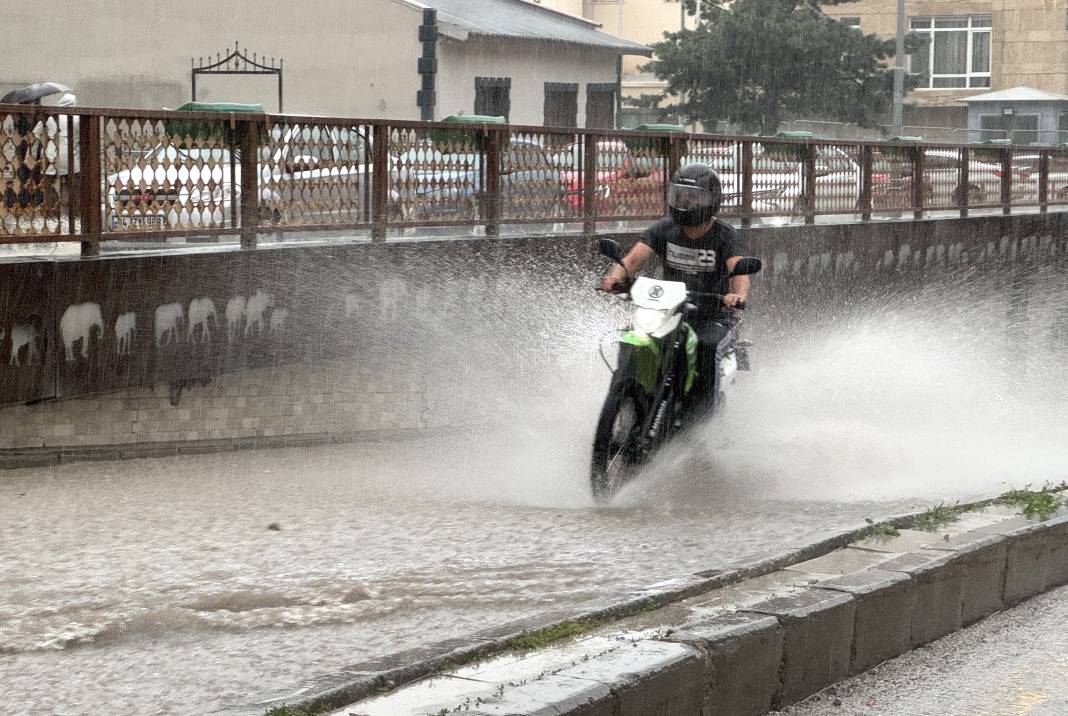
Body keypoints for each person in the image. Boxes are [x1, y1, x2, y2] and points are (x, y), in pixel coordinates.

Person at [599, 163, 750, 417]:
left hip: (712, 315)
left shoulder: (725, 235)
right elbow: (634, 259)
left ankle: (703, 419)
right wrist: (615, 276)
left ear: (712, 199)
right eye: (680, 195)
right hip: (668, 309)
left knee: (706, 346)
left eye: (694, 197)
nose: (686, 203)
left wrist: (737, 295)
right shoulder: (664, 229)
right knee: (633, 337)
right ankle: (628, 392)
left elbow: (739, 271)